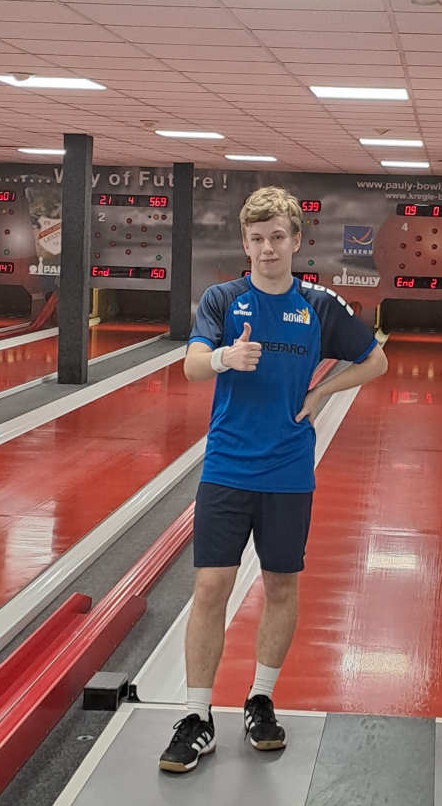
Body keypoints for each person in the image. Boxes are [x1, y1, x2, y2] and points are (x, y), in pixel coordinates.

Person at [159, 186, 388, 773]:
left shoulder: (318, 305)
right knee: (211, 587)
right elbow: (190, 365)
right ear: (245, 242)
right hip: (227, 466)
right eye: (257, 238)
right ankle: (197, 716)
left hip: (288, 470)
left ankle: (260, 700)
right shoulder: (223, 299)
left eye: (277, 237)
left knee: (281, 586)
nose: (267, 248)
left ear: (296, 241)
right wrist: (223, 359)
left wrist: (321, 392)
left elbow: (376, 359)